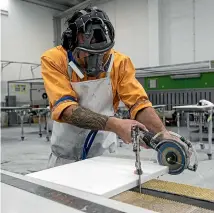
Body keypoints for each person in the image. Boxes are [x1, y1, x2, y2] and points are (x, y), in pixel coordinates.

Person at [41, 6, 171, 168]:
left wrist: (162, 133)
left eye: (103, 54)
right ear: (71, 43)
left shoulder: (120, 62)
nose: (96, 63)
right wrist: (116, 125)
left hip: (103, 154)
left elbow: (139, 104)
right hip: (64, 155)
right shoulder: (54, 59)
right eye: (88, 55)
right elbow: (65, 109)